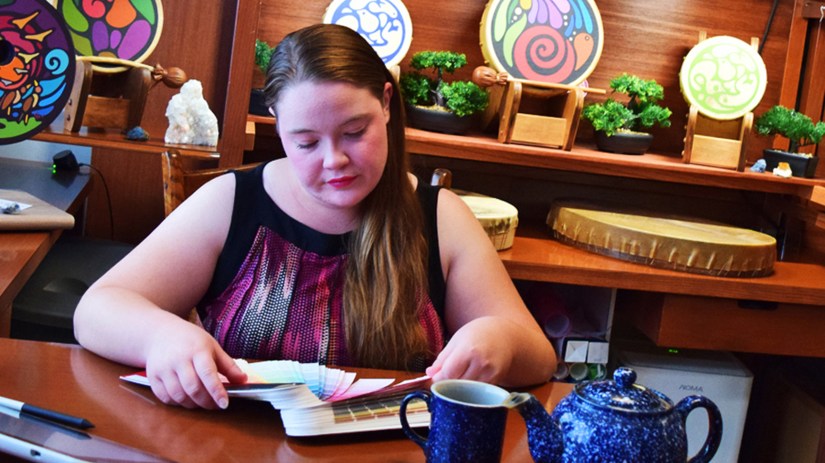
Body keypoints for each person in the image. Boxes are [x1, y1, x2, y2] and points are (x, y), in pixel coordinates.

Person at [73, 23, 556, 410]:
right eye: (306, 142)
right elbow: (98, 309)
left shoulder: (437, 217)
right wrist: (162, 335)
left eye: (354, 131)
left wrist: (499, 339)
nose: (334, 161)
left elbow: (538, 355)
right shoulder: (232, 201)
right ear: (278, 128)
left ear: (386, 104)